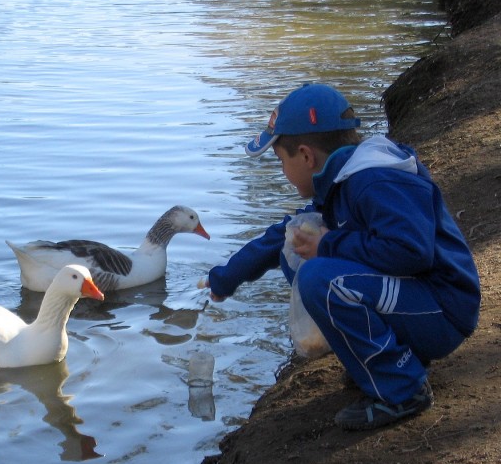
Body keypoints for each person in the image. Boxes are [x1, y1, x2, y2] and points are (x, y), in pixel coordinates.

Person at [205, 83, 481, 430]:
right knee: (296, 250)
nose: (282, 172)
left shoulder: (374, 180)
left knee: (318, 277)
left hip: (445, 310)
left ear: (306, 156)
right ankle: (381, 361)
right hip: (419, 301)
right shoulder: (341, 179)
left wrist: (329, 245)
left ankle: (403, 390)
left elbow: (411, 251)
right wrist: (226, 278)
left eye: (280, 160)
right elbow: (283, 235)